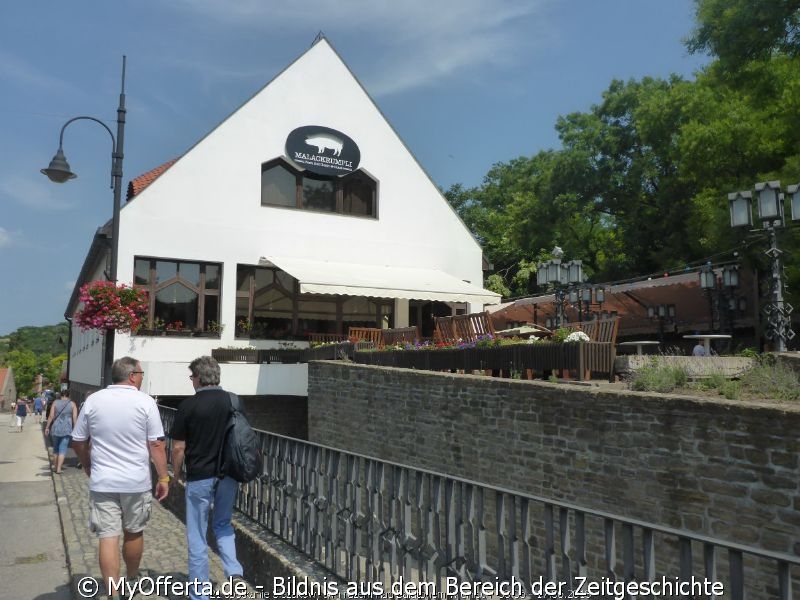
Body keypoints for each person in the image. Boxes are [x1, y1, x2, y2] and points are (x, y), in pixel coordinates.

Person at [70, 357, 170, 600]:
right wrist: (164, 477)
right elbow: (156, 444)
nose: (143, 377)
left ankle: (112, 593)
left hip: (103, 480)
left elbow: (78, 441)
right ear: (132, 375)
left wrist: (87, 465)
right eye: (141, 373)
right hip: (135, 481)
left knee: (108, 536)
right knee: (134, 532)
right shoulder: (145, 402)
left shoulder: (93, 400)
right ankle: (133, 579)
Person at [171, 356, 244, 600]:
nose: (191, 381)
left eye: (192, 377)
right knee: (223, 525)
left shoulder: (187, 407)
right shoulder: (233, 401)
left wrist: (176, 473)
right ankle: (234, 573)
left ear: (199, 378)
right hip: (228, 475)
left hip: (200, 476)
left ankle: (200, 594)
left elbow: (178, 448)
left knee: (197, 534)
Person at [45, 392, 78, 474]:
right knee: (62, 449)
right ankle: (59, 468)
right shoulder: (72, 404)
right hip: (67, 429)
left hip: (56, 428)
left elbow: (51, 416)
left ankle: (55, 467)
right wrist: (76, 429)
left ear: (60, 396)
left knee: (55, 449)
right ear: (68, 395)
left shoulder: (55, 402)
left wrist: (47, 427)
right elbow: (75, 418)